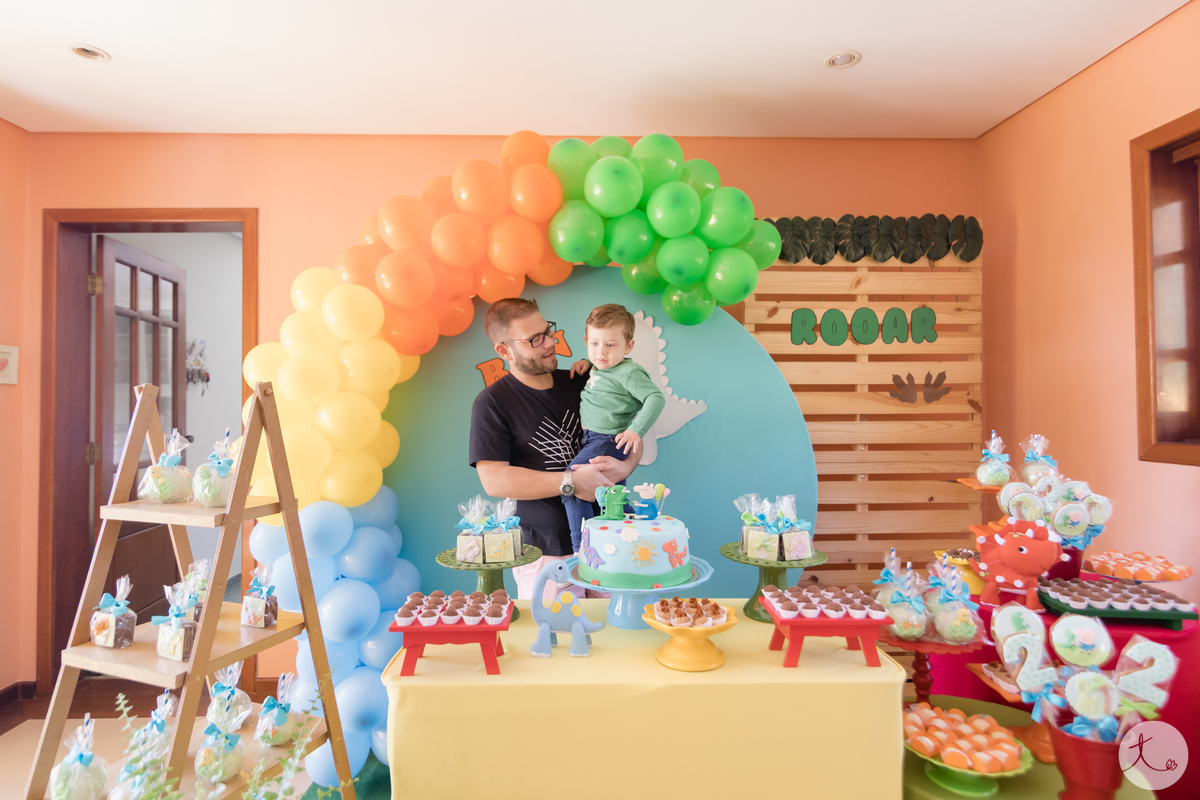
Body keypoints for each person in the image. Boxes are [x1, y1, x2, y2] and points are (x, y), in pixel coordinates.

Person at [469, 298, 639, 599]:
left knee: (619, 634)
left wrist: (625, 466)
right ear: (504, 350)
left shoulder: (584, 381)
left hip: (609, 536)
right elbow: (494, 480)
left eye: (548, 331)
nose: (550, 343)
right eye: (535, 340)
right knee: (558, 640)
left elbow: (633, 434)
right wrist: (572, 482)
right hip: (544, 552)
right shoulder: (492, 403)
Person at [563, 304, 664, 552]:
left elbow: (656, 398)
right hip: (591, 440)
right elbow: (598, 360)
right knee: (608, 497)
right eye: (595, 343)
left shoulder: (629, 372)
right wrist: (586, 362)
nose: (601, 352)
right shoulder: (600, 364)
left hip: (607, 439)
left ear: (628, 347)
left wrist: (635, 431)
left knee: (571, 483)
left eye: (610, 345)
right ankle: (636, 523)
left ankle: (581, 548)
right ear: (587, 340)